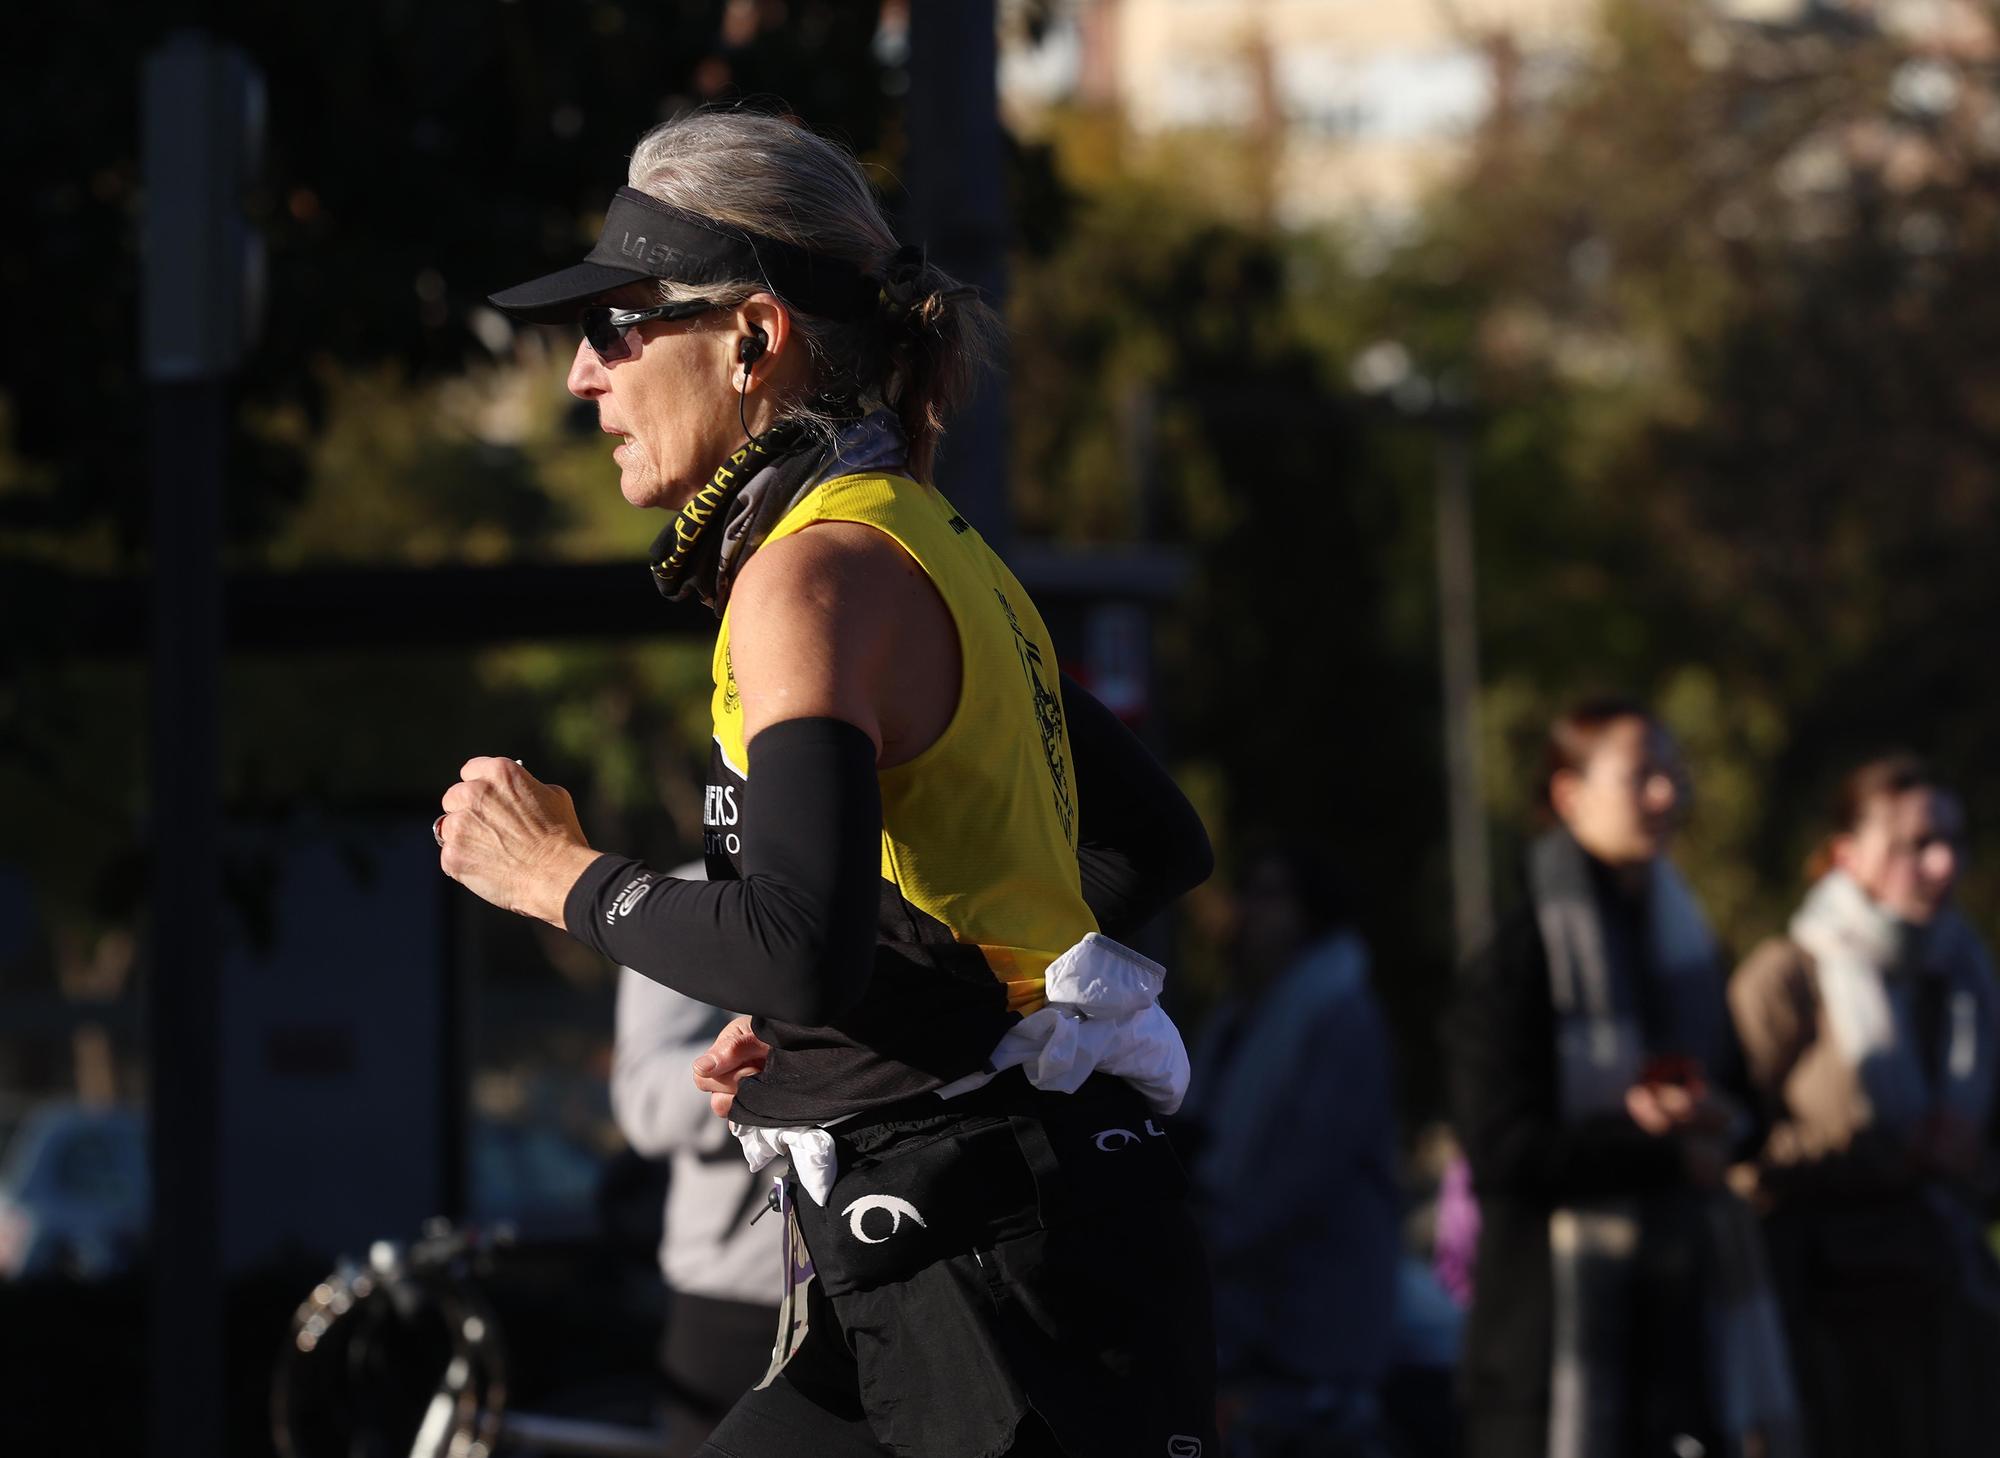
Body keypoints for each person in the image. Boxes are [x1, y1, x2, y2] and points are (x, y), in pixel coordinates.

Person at [435, 110, 1219, 1458]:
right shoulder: (912, 537)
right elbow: (1148, 840)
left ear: (752, 334)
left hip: (994, 1278)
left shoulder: (811, 576)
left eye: (619, 323)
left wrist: (559, 878)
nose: (581, 374)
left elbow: (798, 944)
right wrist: (852, 1044)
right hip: (976, 1240)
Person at [1442, 698, 1797, 1458]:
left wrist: (1713, 1117)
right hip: (1547, 1356)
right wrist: (1652, 1144)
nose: (1667, 796)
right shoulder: (1520, 953)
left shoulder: (1688, 947)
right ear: (1569, 795)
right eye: (1643, 776)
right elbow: (1501, 1149)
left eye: (1674, 775)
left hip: (1679, 1338)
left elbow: (1751, 1109)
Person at [1729, 754, 2000, 1458]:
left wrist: (1973, 1159)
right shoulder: (1788, 975)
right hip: (1825, 1323)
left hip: (1948, 1311)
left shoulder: (1965, 977)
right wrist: (1875, 1153)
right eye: (1914, 846)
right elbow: (1730, 1147)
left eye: (1952, 842)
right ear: (1848, 854)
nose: (1942, 865)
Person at [1185, 840, 1400, 1457]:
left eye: (1272, 894)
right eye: (1248, 891)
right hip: (1246, 1320)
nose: (1252, 910)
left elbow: (1306, 1168)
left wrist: (1213, 1237)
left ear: (1312, 911)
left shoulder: (1339, 1014)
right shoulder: (1237, 1017)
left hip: (1314, 1320)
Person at [611, 865, 783, 1457]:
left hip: (901, 1274)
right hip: (737, 1299)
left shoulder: (913, 869)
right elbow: (645, 1104)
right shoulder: (681, 899)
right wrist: (780, 1060)